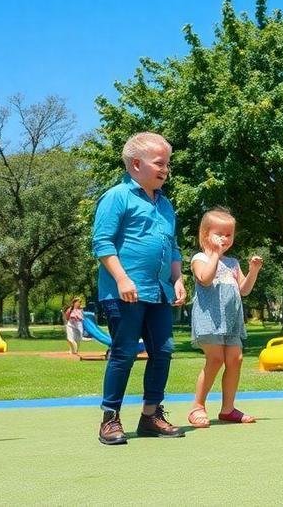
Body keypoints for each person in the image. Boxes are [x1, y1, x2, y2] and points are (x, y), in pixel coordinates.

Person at [92, 132, 187, 445]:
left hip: (159, 291)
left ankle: (150, 415)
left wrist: (177, 278)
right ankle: (110, 418)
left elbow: (172, 246)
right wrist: (122, 278)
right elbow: (102, 242)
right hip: (125, 292)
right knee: (124, 352)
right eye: (160, 163)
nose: (166, 169)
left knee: (164, 351)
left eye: (167, 164)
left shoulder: (165, 204)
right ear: (136, 164)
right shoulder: (117, 196)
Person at [188, 208, 264, 428]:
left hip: (231, 321)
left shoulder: (232, 263)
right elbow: (204, 279)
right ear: (205, 236)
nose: (224, 238)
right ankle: (197, 407)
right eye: (219, 234)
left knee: (235, 359)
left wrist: (253, 271)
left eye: (229, 234)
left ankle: (228, 408)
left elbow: (243, 290)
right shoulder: (200, 258)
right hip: (209, 319)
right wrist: (213, 255)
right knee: (215, 359)